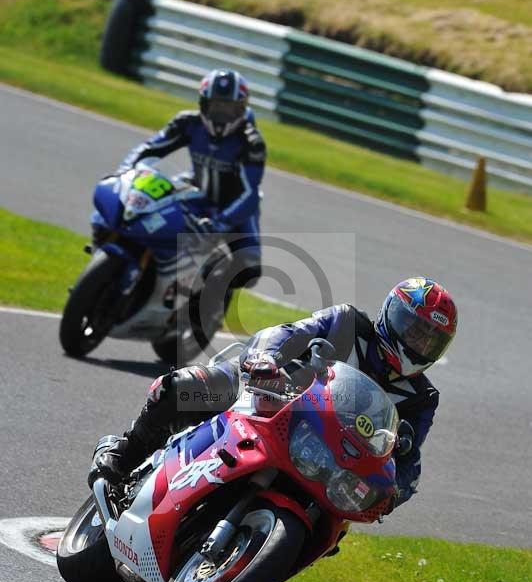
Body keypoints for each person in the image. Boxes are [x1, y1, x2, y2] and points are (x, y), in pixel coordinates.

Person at [88, 277, 457, 513]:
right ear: (392, 314)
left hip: (325, 461)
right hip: (264, 397)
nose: (418, 343)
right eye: (414, 330)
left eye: (429, 339)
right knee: (184, 388)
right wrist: (265, 359)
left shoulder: (421, 398)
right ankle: (125, 451)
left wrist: (396, 492)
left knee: (334, 521)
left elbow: (407, 461)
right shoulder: (346, 322)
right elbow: (286, 333)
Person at [117, 68, 266, 287]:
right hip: (197, 191)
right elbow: (149, 149)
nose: (222, 114)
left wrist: (220, 223)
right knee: (141, 216)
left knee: (249, 270)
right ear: (204, 104)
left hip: (236, 208)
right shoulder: (187, 123)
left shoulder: (251, 143)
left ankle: (208, 303)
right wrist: (125, 172)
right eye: (217, 107)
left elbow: (249, 194)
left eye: (229, 109)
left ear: (242, 109)